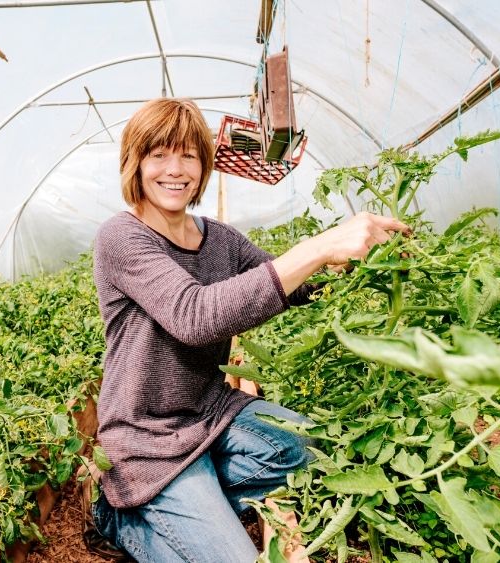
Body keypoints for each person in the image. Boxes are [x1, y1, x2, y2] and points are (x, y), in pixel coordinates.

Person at [89, 98, 409, 562]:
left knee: (318, 447)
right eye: (158, 155)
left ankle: (198, 498)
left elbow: (296, 286)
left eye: (189, 155)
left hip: (211, 413)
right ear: (135, 165)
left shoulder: (220, 239)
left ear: (204, 165)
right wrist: (317, 246)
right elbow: (194, 316)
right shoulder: (121, 237)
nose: (174, 169)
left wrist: (359, 261)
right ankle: (125, 515)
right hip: (147, 438)